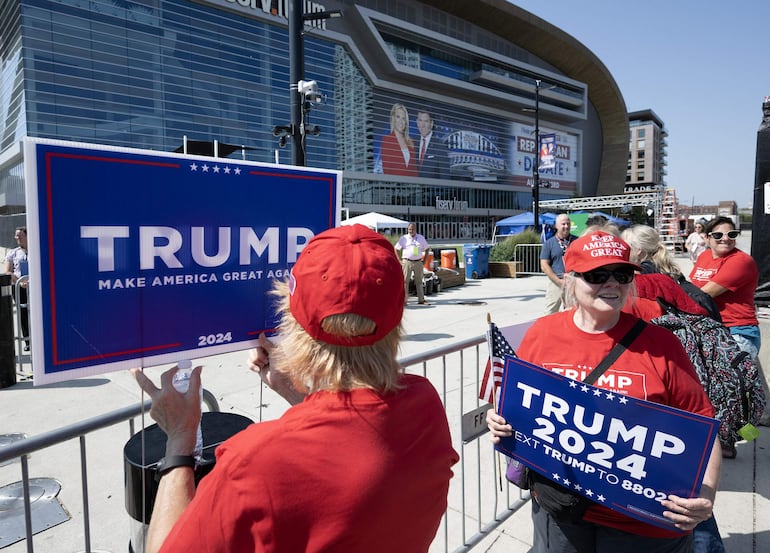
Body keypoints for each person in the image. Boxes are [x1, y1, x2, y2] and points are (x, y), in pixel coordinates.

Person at [131, 224, 459, 553]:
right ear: (397, 317)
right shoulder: (425, 405)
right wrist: (298, 395)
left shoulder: (252, 464)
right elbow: (355, 440)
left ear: (295, 323)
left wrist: (179, 438)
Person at [487, 231, 721, 553]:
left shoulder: (662, 345)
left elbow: (701, 423)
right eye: (597, 275)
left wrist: (707, 492)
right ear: (570, 280)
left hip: (642, 522)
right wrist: (500, 420)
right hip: (562, 510)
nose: (612, 284)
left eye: (622, 274)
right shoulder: (542, 333)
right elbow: (517, 403)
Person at [689, 216, 760, 359]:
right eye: (718, 235)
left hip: (736, 332)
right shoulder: (704, 256)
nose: (726, 239)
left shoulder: (741, 261)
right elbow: (692, 286)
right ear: (707, 238)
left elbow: (703, 294)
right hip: (711, 329)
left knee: (731, 380)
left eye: (731, 234)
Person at [620, 224, 720, 320]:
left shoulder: (643, 272)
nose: (620, 251)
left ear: (638, 250)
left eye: (624, 246)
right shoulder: (666, 267)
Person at [539, 213, 577, 314]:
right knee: (551, 312)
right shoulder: (549, 243)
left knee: (573, 311)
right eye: (563, 224)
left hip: (573, 282)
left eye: (568, 224)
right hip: (556, 282)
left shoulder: (577, 241)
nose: (566, 226)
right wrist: (558, 281)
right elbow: (544, 265)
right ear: (556, 226)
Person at [5, 226, 29, 351]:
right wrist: (19, 282)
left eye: (20, 235)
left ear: (27, 236)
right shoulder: (13, 253)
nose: (17, 238)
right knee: (23, 313)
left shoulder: (37, 251)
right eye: (16, 236)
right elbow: (8, 271)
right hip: (19, 286)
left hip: (34, 287)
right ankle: (27, 341)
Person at [395, 222, 430, 305]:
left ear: (415, 229)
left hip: (418, 262)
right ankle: (404, 301)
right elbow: (396, 248)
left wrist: (424, 261)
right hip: (407, 262)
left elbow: (427, 249)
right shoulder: (404, 238)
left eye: (412, 229)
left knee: (419, 282)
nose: (411, 231)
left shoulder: (421, 238)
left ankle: (421, 300)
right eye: (409, 229)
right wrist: (399, 260)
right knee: (405, 282)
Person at [381, 103, 417, 176]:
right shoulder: (387, 140)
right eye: (398, 117)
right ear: (393, 118)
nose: (401, 122)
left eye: (403, 118)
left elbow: (415, 170)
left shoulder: (411, 141)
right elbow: (387, 170)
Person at [415, 110, 446, 179]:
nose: (422, 125)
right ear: (417, 122)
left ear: (431, 124)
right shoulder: (413, 142)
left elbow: (445, 178)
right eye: (420, 121)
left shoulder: (440, 147)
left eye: (426, 121)